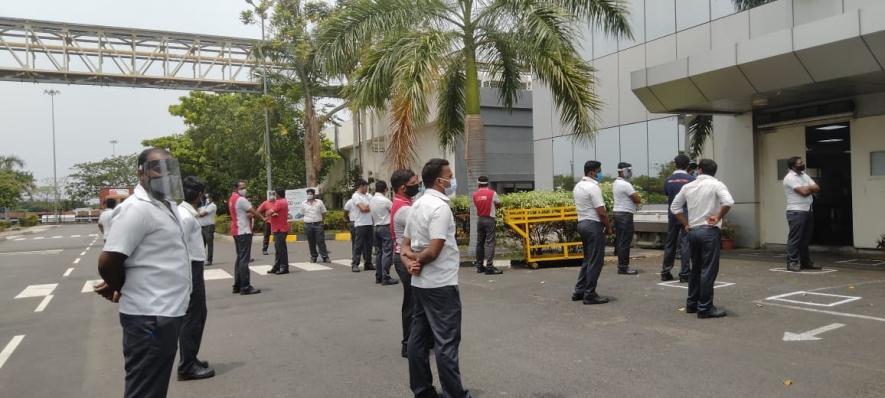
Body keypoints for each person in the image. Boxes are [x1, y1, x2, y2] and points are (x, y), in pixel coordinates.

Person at [94, 147, 192, 398]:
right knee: (145, 391)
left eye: (170, 167)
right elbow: (109, 261)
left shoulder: (165, 204)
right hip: (149, 317)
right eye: (158, 168)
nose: (166, 173)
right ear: (141, 174)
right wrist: (119, 285)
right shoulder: (137, 209)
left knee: (154, 388)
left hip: (166, 312)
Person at [401, 158, 471, 398]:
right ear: (439, 181)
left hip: (420, 284)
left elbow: (405, 246)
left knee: (418, 339)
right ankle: (454, 393)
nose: (451, 180)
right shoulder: (440, 208)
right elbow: (433, 250)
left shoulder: (417, 205)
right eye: (449, 176)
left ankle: (422, 391)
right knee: (446, 342)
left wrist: (411, 261)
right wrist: (417, 261)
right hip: (441, 284)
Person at [670, 159, 734, 319]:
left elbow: (675, 207)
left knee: (696, 268)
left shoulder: (688, 186)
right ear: (714, 171)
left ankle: (692, 304)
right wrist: (718, 216)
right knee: (708, 270)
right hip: (709, 231)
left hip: (693, 230)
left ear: (699, 170)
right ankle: (705, 307)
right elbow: (728, 202)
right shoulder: (717, 184)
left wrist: (686, 224)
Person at [176, 176, 215, 381]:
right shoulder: (185, 216)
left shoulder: (186, 213)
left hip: (194, 266)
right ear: (199, 195)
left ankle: (191, 358)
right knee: (192, 316)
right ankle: (187, 366)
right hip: (189, 268)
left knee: (199, 314)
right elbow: (176, 247)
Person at [571, 160, 615, 305]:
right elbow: (601, 212)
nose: (600, 174)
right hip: (593, 225)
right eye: (599, 171)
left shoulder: (578, 186)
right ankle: (590, 294)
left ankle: (580, 290)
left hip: (582, 223)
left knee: (588, 259)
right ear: (592, 172)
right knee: (596, 261)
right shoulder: (593, 187)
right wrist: (608, 227)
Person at [390, 169, 420, 358]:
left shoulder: (402, 203)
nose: (417, 185)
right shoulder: (405, 209)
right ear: (403, 187)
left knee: (416, 300)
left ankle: (418, 339)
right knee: (412, 302)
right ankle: (408, 343)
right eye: (414, 182)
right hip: (405, 258)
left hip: (402, 256)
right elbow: (421, 232)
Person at [783, 156, 820, 272]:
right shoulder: (789, 178)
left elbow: (817, 187)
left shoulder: (804, 175)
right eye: (799, 163)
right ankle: (792, 262)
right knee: (795, 238)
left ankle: (805, 262)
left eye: (802, 162)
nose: (802, 164)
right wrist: (810, 188)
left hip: (808, 210)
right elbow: (803, 192)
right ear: (793, 166)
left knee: (806, 239)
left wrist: (807, 187)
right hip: (796, 211)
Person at [661, 154, 695, 282]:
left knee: (670, 243)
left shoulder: (668, 180)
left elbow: (667, 194)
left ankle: (665, 271)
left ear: (675, 164)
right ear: (687, 165)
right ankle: (685, 273)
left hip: (672, 214)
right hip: (686, 215)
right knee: (685, 243)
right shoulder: (691, 179)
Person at [228, 180, 264, 295]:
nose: (244, 189)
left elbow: (241, 213)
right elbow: (254, 211)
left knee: (240, 258)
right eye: (242, 188)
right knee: (244, 260)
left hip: (236, 231)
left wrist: (248, 215)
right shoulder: (241, 199)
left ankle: (237, 285)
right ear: (236, 189)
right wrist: (263, 218)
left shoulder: (232, 199)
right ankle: (245, 287)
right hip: (243, 231)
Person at [612, 162, 640, 275]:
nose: (630, 173)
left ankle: (622, 265)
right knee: (625, 242)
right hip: (625, 215)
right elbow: (637, 199)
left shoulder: (616, 183)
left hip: (619, 214)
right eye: (629, 170)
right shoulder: (625, 185)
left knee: (621, 241)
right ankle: (623, 267)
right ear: (623, 171)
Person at [472, 176, 504, 275]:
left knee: (479, 243)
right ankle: (489, 267)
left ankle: (479, 267)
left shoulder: (475, 194)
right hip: (490, 219)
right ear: (488, 184)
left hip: (480, 219)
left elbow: (476, 205)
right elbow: (498, 204)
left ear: (478, 184)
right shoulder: (492, 193)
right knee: (490, 243)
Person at [370, 180, 398, 285]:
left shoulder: (371, 200)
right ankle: (385, 276)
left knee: (379, 252)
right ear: (385, 189)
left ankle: (379, 276)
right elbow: (394, 212)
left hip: (375, 226)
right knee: (387, 252)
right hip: (385, 227)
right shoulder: (386, 201)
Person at [351, 179, 375, 273]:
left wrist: (369, 206)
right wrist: (370, 206)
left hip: (369, 223)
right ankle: (355, 264)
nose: (367, 188)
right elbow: (363, 209)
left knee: (369, 245)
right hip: (360, 224)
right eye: (365, 186)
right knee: (358, 245)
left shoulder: (368, 195)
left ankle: (368, 263)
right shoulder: (356, 196)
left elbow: (374, 205)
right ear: (361, 186)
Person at [266, 188, 290, 275]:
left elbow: (269, 212)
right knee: (278, 249)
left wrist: (269, 212)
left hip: (280, 229)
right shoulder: (283, 201)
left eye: (275, 194)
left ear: (278, 194)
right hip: (278, 229)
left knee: (281, 250)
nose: (274, 195)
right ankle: (276, 267)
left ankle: (284, 267)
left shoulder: (280, 202)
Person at [302, 188, 330, 263]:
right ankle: (313, 256)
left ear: (314, 195)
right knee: (311, 241)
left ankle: (325, 256)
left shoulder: (319, 202)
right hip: (308, 225)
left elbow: (324, 212)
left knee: (320, 240)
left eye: (311, 194)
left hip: (318, 224)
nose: (309, 195)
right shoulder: (303, 203)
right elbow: (302, 213)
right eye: (308, 194)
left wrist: (322, 221)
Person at [197, 194, 217, 265]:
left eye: (208, 197)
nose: (206, 199)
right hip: (201, 227)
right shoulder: (203, 206)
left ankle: (209, 260)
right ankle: (201, 260)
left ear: (211, 198)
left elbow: (202, 214)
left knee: (209, 244)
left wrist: (196, 213)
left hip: (209, 227)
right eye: (206, 197)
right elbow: (198, 213)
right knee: (202, 245)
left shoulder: (212, 206)